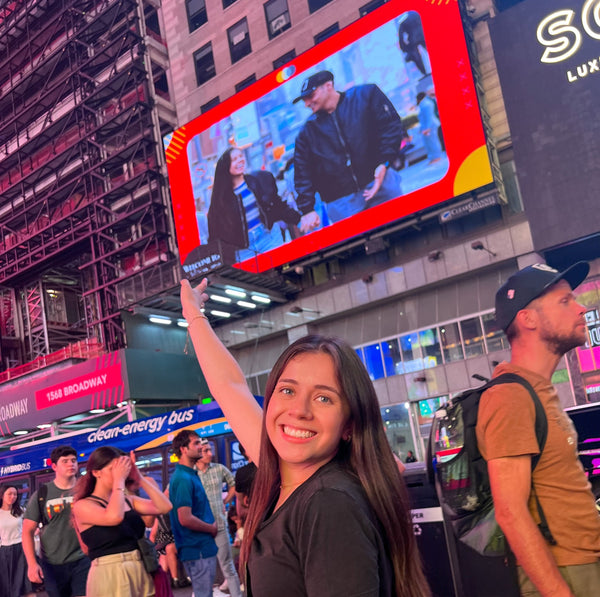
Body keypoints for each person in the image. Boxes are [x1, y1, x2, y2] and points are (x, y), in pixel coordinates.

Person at [180, 277, 430, 597]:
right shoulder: (287, 475)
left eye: (324, 398)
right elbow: (230, 387)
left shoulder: (328, 503)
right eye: (287, 390)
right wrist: (193, 315)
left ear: (349, 424)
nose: (298, 410)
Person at [476, 262, 600, 597]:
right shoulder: (510, 396)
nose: (581, 308)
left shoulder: (537, 389)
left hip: (583, 565)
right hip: (567, 574)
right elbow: (511, 512)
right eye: (565, 302)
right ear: (527, 319)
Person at [292, 70, 405, 231]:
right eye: (304, 99)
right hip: (342, 203)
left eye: (311, 95)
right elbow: (302, 173)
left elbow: (390, 126)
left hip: (380, 183)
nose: (307, 103)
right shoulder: (306, 132)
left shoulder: (366, 96)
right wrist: (307, 209)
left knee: (401, 229)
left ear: (328, 86)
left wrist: (384, 163)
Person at [71, 447, 172, 597]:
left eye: (122, 469)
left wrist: (139, 478)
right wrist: (119, 480)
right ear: (96, 472)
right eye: (113, 469)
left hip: (139, 567)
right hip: (110, 571)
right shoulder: (82, 505)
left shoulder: (128, 500)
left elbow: (164, 507)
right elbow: (114, 517)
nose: (120, 473)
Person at [206, 147, 301, 262]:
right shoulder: (220, 199)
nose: (240, 160)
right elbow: (216, 234)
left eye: (241, 156)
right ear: (226, 166)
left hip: (269, 238)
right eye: (234, 159)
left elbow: (277, 206)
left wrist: (300, 219)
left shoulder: (260, 179)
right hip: (244, 251)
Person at [22, 446, 90, 597]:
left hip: (83, 558)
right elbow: (27, 531)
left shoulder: (86, 490)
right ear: (54, 467)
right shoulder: (41, 494)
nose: (71, 464)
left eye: (73, 461)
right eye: (65, 461)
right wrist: (32, 564)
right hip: (52, 564)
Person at [169, 429, 218, 597]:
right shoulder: (183, 478)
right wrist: (211, 529)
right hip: (197, 549)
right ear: (183, 449)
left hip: (200, 548)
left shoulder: (189, 475)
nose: (201, 446)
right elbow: (185, 518)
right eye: (196, 443)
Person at [196, 439, 242, 597]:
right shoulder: (190, 474)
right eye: (206, 451)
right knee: (203, 571)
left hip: (219, 526)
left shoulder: (219, 469)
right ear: (197, 453)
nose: (211, 453)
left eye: (210, 450)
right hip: (200, 529)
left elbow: (234, 484)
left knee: (228, 567)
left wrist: (225, 500)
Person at [0, 485, 34, 597]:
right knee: (8, 585)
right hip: (4, 551)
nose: (13, 497)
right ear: (2, 495)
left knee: (25, 584)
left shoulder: (21, 511)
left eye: (15, 494)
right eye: (9, 494)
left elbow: (29, 527)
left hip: (22, 548)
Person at [416, 92, 442, 164]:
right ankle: (434, 157)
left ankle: (437, 156)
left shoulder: (427, 104)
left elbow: (429, 117)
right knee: (429, 142)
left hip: (430, 126)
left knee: (433, 141)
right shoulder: (425, 104)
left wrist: (428, 128)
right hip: (426, 127)